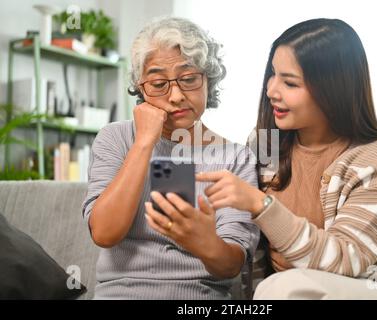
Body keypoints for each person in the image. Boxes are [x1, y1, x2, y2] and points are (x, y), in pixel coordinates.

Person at [196, 18, 377, 299]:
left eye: (289, 82)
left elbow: (348, 259)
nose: (272, 91)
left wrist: (260, 204)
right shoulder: (267, 145)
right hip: (294, 292)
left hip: (374, 287)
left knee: (284, 287)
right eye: (272, 75)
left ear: (332, 89)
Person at [81, 17, 259, 299]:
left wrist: (205, 242)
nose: (176, 95)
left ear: (207, 79)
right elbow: (104, 233)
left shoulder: (235, 158)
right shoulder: (114, 139)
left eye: (188, 79)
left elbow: (232, 266)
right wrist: (144, 143)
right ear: (141, 88)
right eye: (159, 83)